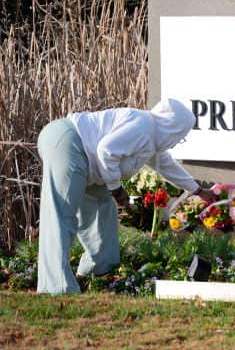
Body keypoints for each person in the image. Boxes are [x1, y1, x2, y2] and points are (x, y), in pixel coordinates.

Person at [36, 98, 216, 294]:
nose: (177, 141)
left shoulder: (152, 138)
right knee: (61, 214)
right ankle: (56, 288)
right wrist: (116, 188)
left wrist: (198, 191)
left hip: (89, 162)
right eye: (180, 136)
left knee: (103, 208)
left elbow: (167, 166)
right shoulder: (143, 126)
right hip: (68, 142)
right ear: (173, 128)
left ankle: (99, 272)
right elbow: (106, 150)